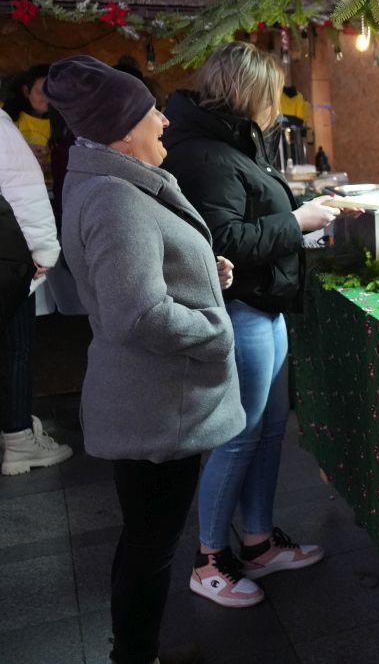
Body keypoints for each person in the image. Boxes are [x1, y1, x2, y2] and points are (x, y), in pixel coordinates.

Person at [46, 55, 245, 664]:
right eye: (151, 111)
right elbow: (136, 313)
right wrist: (215, 329)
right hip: (158, 406)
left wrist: (203, 275)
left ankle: (135, 652)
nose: (164, 119)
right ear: (123, 130)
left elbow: (136, 277)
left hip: (151, 399)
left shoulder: (112, 182)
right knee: (150, 546)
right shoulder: (116, 198)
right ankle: (135, 656)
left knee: (146, 540)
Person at [162, 41, 339, 607]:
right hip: (241, 309)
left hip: (265, 305)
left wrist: (298, 218)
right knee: (239, 436)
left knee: (268, 429)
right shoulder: (204, 153)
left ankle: (258, 542)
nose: (276, 103)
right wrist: (298, 220)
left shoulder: (229, 142)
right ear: (251, 93)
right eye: (271, 92)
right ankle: (209, 560)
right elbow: (225, 240)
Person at [0, 98, 71, 475]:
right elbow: (23, 192)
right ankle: (18, 439)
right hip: (11, 260)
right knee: (16, 350)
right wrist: (42, 253)